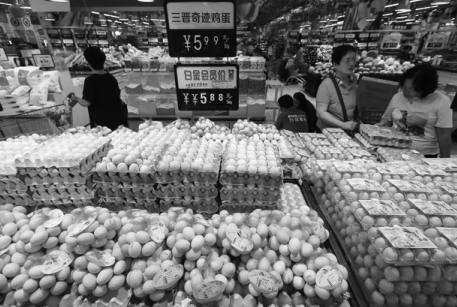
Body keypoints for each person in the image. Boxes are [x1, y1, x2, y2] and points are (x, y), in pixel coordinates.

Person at [377, 65, 452, 158]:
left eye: (412, 89)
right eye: (404, 87)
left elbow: (443, 133)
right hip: (393, 150)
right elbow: (387, 120)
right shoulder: (398, 96)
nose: (406, 91)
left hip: (424, 155)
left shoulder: (442, 101)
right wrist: (381, 125)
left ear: (426, 89)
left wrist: (445, 159)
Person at [70, 47, 128, 131]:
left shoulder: (90, 81)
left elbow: (86, 102)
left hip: (102, 121)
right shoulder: (111, 77)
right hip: (118, 116)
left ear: (88, 63)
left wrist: (76, 99)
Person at [316, 45, 358, 131]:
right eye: (347, 60)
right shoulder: (326, 85)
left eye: (353, 59)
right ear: (335, 64)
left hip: (348, 131)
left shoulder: (354, 80)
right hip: (328, 132)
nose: (352, 63)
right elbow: (321, 112)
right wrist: (342, 125)